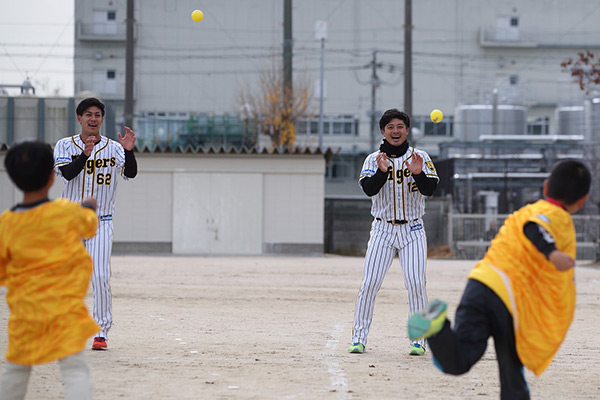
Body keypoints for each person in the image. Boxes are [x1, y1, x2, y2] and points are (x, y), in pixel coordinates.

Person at [408, 159, 591, 399]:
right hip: (511, 300)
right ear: (582, 201)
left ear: (546, 187)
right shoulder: (553, 215)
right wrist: (552, 253)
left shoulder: (525, 211)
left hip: (480, 284)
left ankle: (437, 326)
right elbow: (535, 228)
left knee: (461, 358)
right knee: (511, 368)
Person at [0, 141, 99, 400]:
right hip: (65, 310)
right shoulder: (66, 212)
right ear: (52, 176)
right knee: (75, 369)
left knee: (16, 369)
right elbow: (89, 226)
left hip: (25, 313)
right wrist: (89, 207)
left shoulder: (6, 223)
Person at [349, 108, 439, 355]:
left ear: (407, 130)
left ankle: (418, 341)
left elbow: (430, 189)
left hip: (413, 228)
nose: (395, 131)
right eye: (390, 127)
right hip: (383, 228)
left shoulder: (420, 157)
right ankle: (358, 338)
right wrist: (382, 172)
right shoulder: (373, 159)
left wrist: (418, 173)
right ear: (383, 131)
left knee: (416, 283)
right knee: (370, 283)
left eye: (400, 126)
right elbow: (369, 189)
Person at [54, 97, 138, 350]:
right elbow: (67, 173)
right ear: (79, 118)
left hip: (101, 222)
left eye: (97, 114)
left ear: (102, 119)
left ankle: (101, 331)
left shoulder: (114, 148)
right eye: (88, 114)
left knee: (100, 276)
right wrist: (84, 155)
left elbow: (130, 173)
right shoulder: (64, 145)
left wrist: (128, 151)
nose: (93, 118)